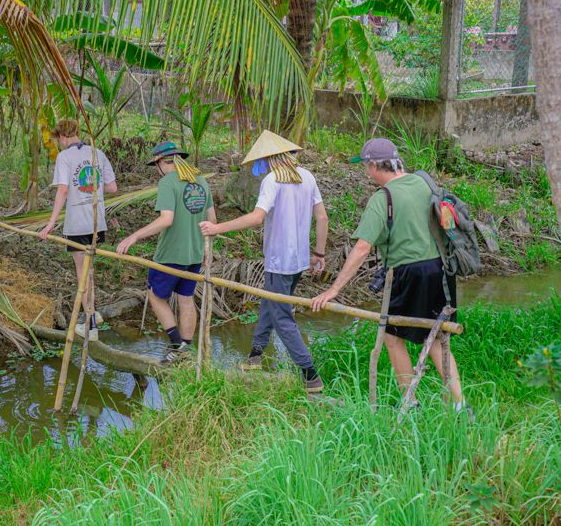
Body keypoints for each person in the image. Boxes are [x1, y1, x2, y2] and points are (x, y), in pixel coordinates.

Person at [310, 138, 465, 409]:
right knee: (439, 338)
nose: (366, 173)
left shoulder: (383, 198)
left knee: (393, 338)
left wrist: (334, 290)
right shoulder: (423, 183)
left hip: (408, 274)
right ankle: (460, 405)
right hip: (440, 270)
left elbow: (361, 248)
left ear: (374, 165)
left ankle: (409, 402)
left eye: (366, 168)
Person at [199, 130, 327, 393]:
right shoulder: (308, 176)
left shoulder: (273, 180)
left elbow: (257, 218)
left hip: (280, 261)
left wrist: (217, 227)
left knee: (282, 317)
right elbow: (322, 218)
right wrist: (319, 254)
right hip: (299, 260)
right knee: (270, 304)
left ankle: (310, 375)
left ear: (269, 158)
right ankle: (254, 357)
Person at [117, 142, 216, 364]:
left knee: (155, 296)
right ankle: (186, 350)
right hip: (194, 254)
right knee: (186, 299)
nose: (157, 169)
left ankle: (176, 344)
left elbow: (166, 219)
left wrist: (134, 236)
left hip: (170, 254)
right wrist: (202, 247)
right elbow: (213, 222)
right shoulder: (201, 181)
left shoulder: (167, 182)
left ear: (162, 162)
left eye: (156, 164)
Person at [40, 118, 118, 341]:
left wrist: (51, 223)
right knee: (89, 270)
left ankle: (91, 326)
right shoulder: (97, 153)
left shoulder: (65, 157)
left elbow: (63, 191)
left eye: (58, 140)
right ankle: (94, 313)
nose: (59, 144)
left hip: (77, 224)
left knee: (82, 274)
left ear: (63, 137)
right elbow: (113, 188)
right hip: (97, 223)